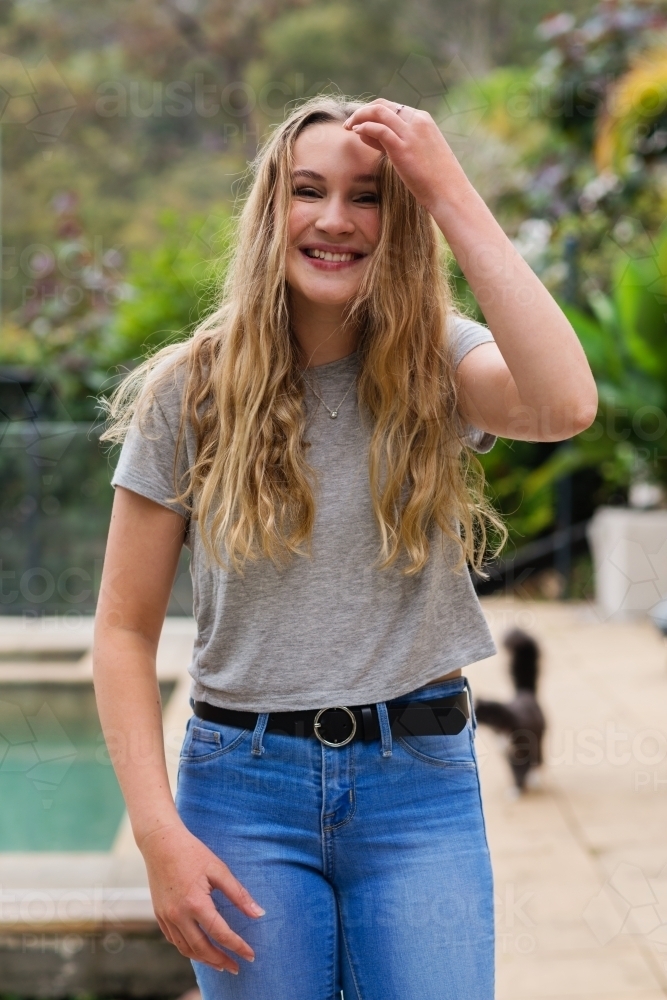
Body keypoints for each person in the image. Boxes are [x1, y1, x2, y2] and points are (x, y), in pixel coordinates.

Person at [93, 95, 597, 1000]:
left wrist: (447, 190)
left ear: (400, 222)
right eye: (307, 191)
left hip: (418, 787)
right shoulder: (190, 391)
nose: (334, 219)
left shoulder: (439, 363)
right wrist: (157, 833)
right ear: (268, 212)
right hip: (243, 793)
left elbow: (564, 404)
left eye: (367, 197)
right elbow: (124, 630)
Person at [476, 628, 546, 792]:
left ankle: (531, 773)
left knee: (526, 752)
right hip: (523, 708)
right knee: (516, 754)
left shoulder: (519, 728)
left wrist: (518, 786)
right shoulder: (503, 721)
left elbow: (520, 756)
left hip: (531, 720)